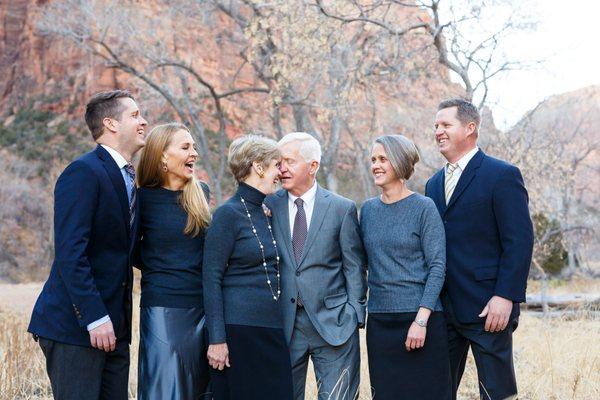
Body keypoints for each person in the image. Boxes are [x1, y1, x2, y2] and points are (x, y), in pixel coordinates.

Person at [28, 90, 147, 399]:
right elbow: (71, 254)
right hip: (76, 328)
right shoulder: (83, 172)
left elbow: (126, 251)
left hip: (116, 330)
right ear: (110, 124)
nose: (143, 121)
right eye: (134, 115)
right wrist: (94, 317)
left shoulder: (130, 179)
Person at [425, 98, 534, 400]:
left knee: (496, 393)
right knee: (436, 391)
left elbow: (519, 240)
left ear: (470, 128)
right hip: (443, 309)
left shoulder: (501, 175)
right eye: (436, 126)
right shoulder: (433, 184)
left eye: (445, 125)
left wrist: (505, 295)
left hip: (489, 307)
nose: (438, 131)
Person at [265, 132, 367, 400]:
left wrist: (355, 311)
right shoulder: (267, 206)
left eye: (289, 161)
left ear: (313, 166)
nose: (282, 168)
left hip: (335, 324)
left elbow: (353, 265)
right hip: (283, 324)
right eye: (279, 162)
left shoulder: (341, 208)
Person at [360, 135, 451, 400]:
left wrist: (421, 321)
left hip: (420, 319)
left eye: (383, 159)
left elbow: (437, 266)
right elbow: (359, 261)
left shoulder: (424, 208)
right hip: (379, 322)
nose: (376, 165)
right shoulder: (367, 210)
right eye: (373, 159)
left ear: (399, 162)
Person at [203, 135, 293, 400]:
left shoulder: (266, 211)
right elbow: (211, 277)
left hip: (272, 329)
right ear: (258, 166)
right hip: (238, 331)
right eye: (277, 165)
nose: (281, 172)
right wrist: (217, 339)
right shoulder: (227, 214)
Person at [135, 123, 212, 399]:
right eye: (185, 147)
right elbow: (131, 252)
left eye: (194, 146)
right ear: (163, 157)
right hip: (163, 311)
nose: (194, 152)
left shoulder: (201, 193)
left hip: (205, 309)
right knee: (166, 389)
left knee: (203, 390)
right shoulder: (141, 199)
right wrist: (163, 266)